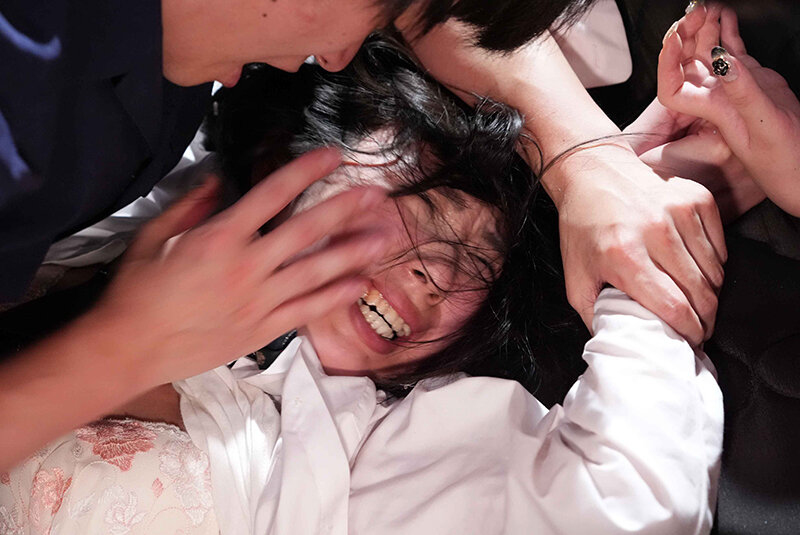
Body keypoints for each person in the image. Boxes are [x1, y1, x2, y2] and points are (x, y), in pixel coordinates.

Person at [0, 38, 723, 535]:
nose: (438, 272)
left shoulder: (366, 446)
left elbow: (632, 509)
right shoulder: (67, 221)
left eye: (480, 263)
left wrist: (630, 242)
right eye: (422, 204)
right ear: (286, 163)